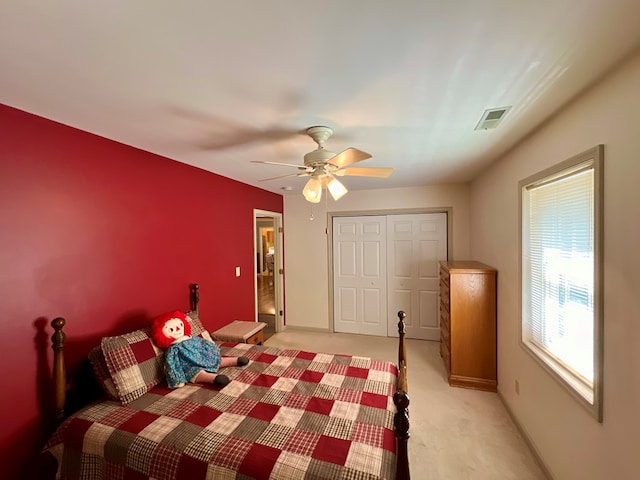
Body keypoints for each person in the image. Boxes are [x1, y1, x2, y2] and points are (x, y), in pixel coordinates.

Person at [151, 310, 249, 387]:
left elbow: (203, 343)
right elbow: (172, 365)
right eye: (171, 329)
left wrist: (211, 347)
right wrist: (177, 380)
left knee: (215, 359)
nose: (178, 329)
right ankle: (213, 378)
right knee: (197, 373)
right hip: (190, 366)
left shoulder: (191, 339)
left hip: (203, 357)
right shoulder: (173, 350)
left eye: (180, 325)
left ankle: (233, 361)